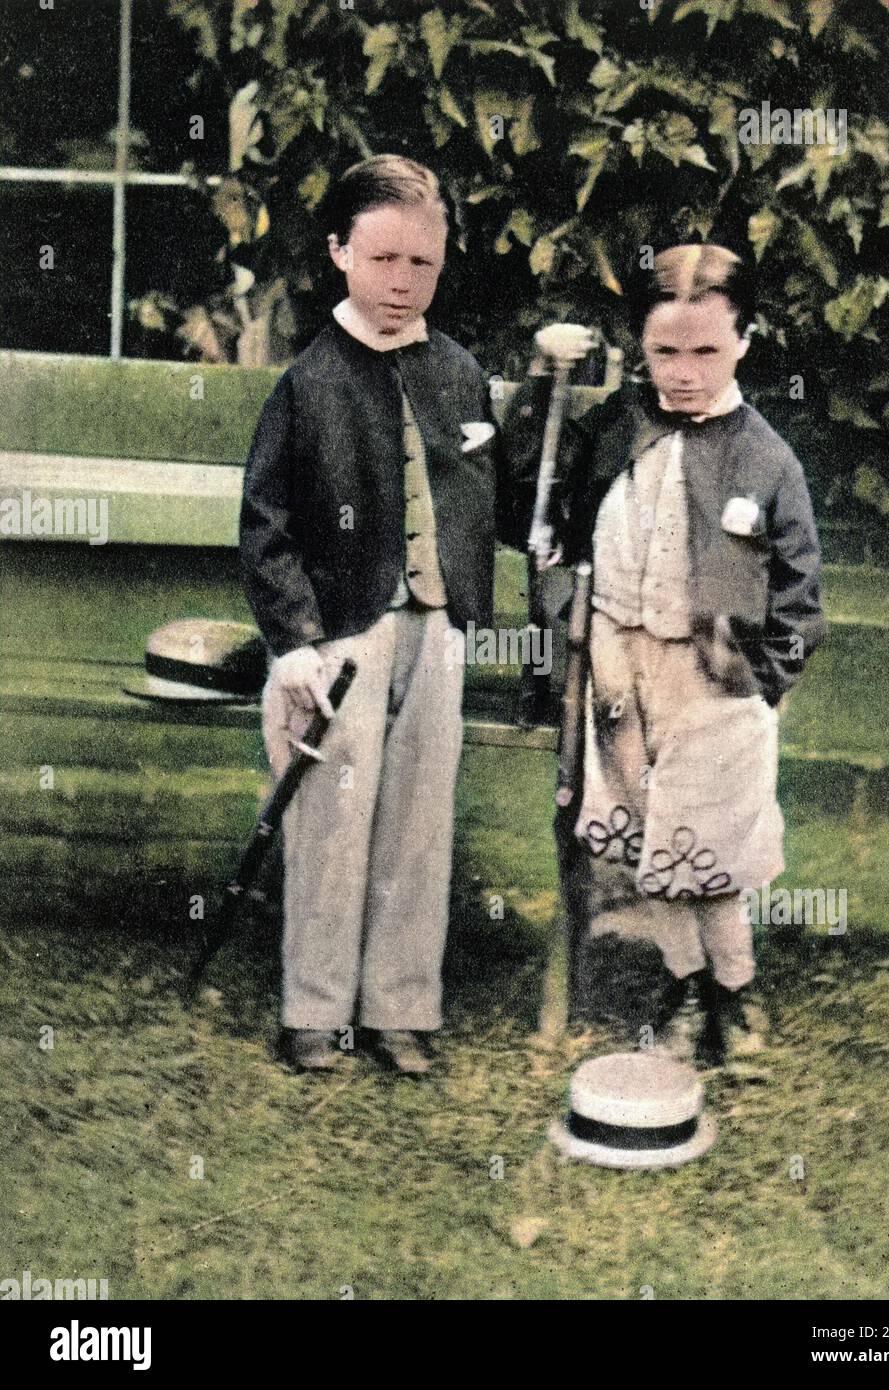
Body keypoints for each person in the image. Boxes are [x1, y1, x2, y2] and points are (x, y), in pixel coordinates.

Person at [240, 154, 527, 1075]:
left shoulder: (460, 375)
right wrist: (293, 645)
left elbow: (496, 500)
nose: (402, 283)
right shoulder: (309, 383)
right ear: (338, 252)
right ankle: (316, 1009)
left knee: (420, 817)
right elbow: (266, 527)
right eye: (383, 259)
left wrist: (548, 502)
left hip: (436, 630)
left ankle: (401, 1008)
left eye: (423, 265)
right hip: (344, 638)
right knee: (333, 814)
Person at [506, 244, 826, 1066]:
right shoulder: (615, 425)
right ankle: (685, 986)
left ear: (745, 340)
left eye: (706, 351)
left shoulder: (766, 458)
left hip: (709, 682)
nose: (684, 372)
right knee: (654, 850)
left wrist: (766, 680)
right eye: (664, 352)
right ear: (640, 347)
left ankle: (737, 993)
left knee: (709, 853)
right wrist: (545, 379)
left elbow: (800, 594)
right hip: (615, 668)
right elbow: (525, 498)